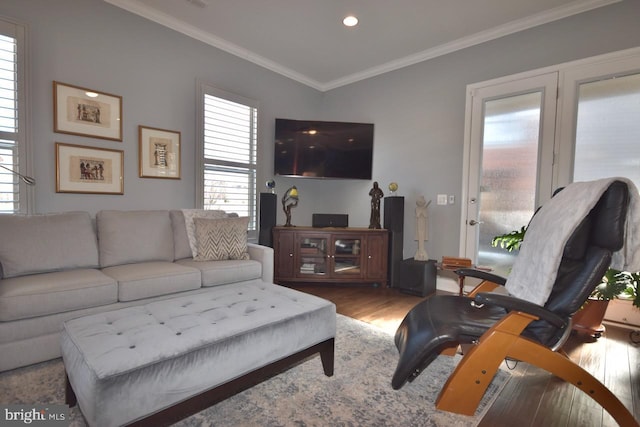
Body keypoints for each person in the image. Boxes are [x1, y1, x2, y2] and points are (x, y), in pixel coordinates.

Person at [414, 195, 431, 260]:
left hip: (423, 225)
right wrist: (420, 211)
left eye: (421, 202)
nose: (420, 203)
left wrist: (423, 211)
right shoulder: (416, 208)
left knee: (422, 237)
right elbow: (417, 215)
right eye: (419, 202)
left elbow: (425, 215)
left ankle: (422, 253)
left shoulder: (425, 208)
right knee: (419, 237)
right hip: (418, 225)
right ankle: (419, 253)